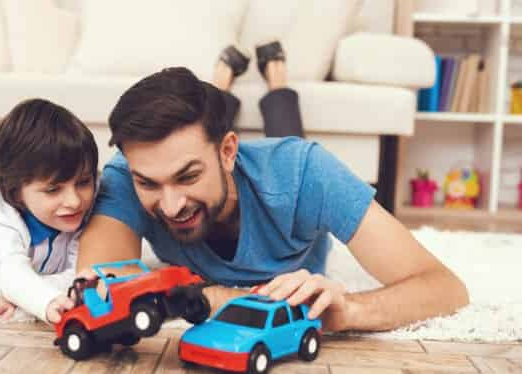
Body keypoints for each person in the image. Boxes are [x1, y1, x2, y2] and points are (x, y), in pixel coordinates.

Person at [77, 42, 469, 332]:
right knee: (220, 129)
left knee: (286, 139)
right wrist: (219, 297)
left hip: (276, 175)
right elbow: (102, 289)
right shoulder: (128, 174)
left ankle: (275, 75)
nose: (171, 204)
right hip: (245, 167)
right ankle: (222, 80)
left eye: (188, 176)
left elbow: (445, 287)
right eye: (149, 182)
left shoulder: (304, 172)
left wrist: (350, 310)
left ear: (229, 151)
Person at [0, 99, 99, 324]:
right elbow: (8, 271)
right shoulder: (1, 218)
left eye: (83, 182)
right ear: (15, 193)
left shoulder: (92, 203)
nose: (74, 201)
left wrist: (18, 297)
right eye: (53, 189)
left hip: (37, 271)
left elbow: (81, 273)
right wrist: (44, 299)